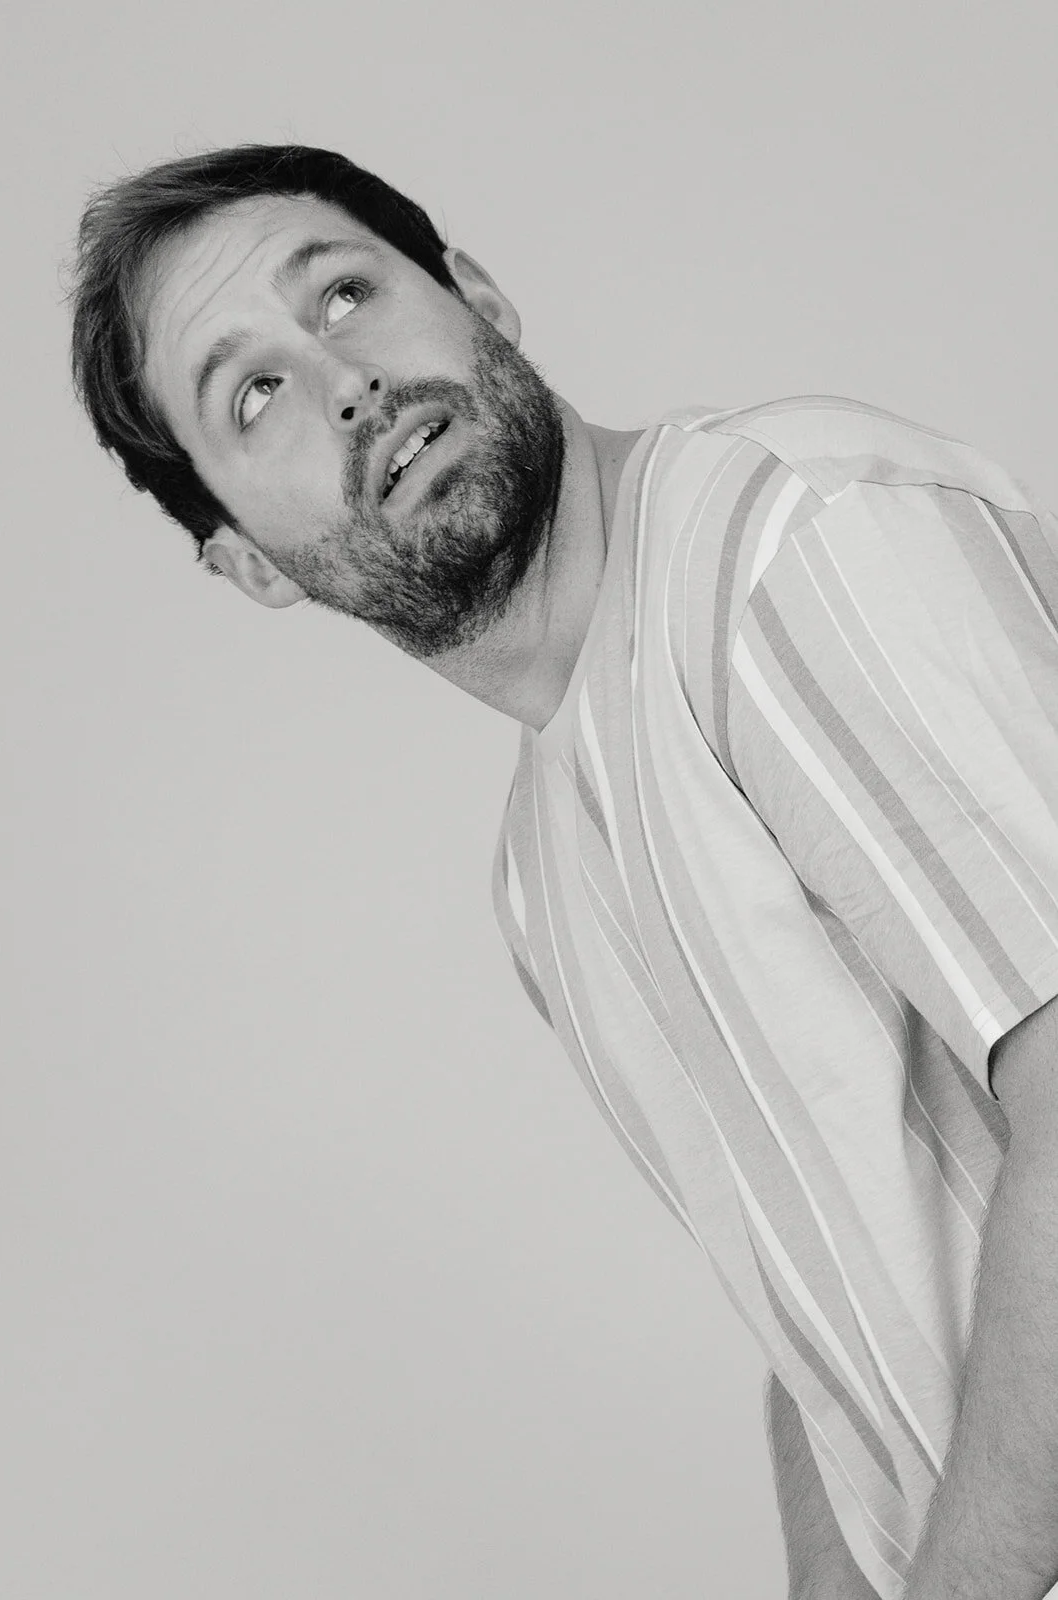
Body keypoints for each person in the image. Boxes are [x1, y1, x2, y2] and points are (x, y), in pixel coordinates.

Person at [69, 144, 1058, 1600]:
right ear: (251, 563)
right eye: (255, 393)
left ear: (477, 297)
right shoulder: (547, 873)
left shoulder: (793, 542)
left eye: (344, 293)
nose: (344, 381)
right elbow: (832, 1304)